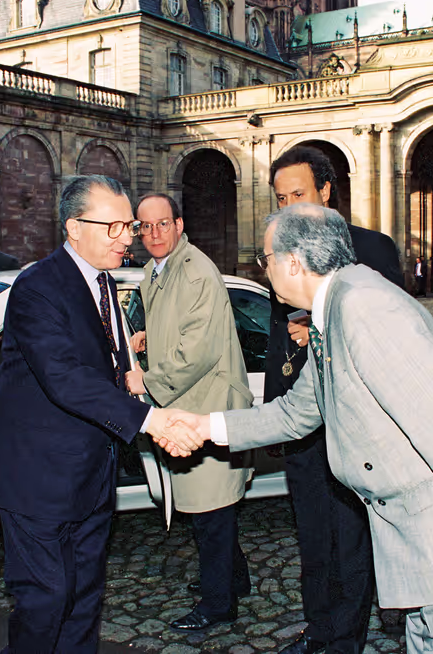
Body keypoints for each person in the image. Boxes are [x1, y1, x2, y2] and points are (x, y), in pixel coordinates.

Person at [164, 204, 433, 653]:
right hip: (419, 540)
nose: (263, 270)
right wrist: (206, 425)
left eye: (266, 259)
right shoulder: (335, 309)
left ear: (293, 262)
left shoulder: (365, 307)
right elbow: (295, 413)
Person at [0, 175, 201, 653]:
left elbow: (108, 367)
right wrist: (150, 422)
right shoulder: (38, 285)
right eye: (115, 226)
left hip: (91, 476)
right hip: (38, 478)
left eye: (129, 226)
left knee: (84, 598)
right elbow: (62, 375)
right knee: (45, 600)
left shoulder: (104, 283)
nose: (128, 236)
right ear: (73, 227)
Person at [265, 145, 403, 654]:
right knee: (313, 540)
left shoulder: (373, 248)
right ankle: (319, 627)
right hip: (303, 427)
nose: (288, 207)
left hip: (354, 426)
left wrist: (325, 329)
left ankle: (346, 637)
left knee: (352, 540)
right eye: (281, 198)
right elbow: (278, 337)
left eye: (298, 194)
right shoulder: (281, 248)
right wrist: (274, 412)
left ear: (326, 191)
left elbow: (391, 340)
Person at [125, 193, 253, 631]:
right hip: (188, 405)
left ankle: (219, 604)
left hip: (208, 405)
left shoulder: (196, 270)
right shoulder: (155, 270)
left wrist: (147, 379)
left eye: (163, 224)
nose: (155, 233)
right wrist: (145, 337)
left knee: (211, 512)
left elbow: (195, 351)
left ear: (179, 224)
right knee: (209, 507)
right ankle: (235, 581)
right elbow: (175, 329)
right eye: (146, 227)